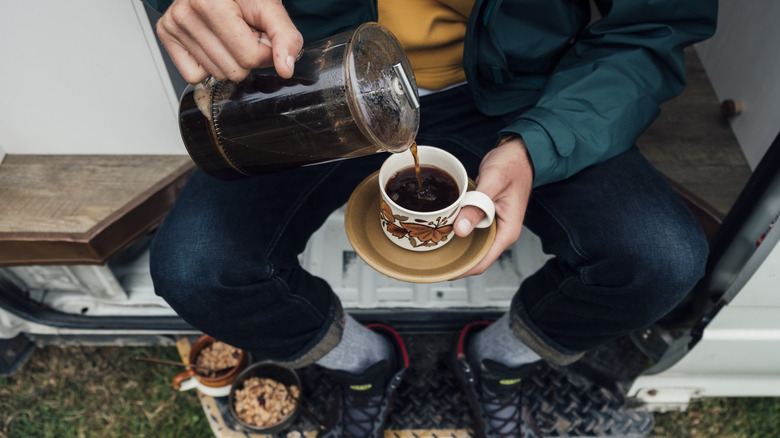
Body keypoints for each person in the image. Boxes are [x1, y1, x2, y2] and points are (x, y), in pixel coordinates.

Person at [148, 0, 718, 436]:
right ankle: (366, 364)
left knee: (661, 258)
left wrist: (539, 145)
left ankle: (498, 359)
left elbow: (654, 24)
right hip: (318, 82)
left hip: (521, 89)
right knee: (198, 269)